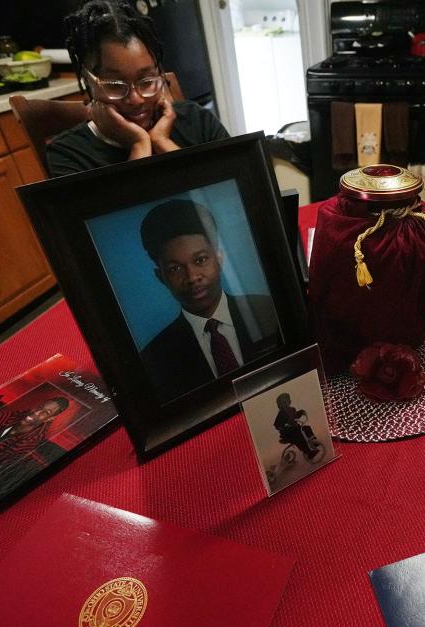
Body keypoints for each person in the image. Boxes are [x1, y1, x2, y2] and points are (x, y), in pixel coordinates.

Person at [47, 0, 228, 177]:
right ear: (88, 81)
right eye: (115, 86)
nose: (136, 99)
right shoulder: (68, 155)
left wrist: (161, 141)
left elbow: (233, 193)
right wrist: (139, 145)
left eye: (147, 81)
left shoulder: (198, 121)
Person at [138, 199, 281, 402]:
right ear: (160, 277)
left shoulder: (268, 310)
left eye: (200, 260)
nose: (192, 276)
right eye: (175, 268)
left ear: (219, 259)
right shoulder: (155, 359)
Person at [273, 393, 319, 461]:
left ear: (289, 402)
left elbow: (295, 415)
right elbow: (277, 425)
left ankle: (313, 441)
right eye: (282, 403)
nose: (285, 404)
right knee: (299, 438)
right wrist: (283, 427)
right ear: (279, 405)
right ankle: (309, 453)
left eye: (286, 401)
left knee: (307, 428)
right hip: (288, 433)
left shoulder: (292, 409)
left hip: (296, 428)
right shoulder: (281, 414)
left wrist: (301, 412)